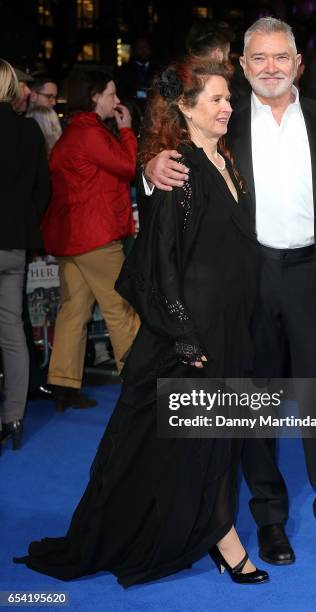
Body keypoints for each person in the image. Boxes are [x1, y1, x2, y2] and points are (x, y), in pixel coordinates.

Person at [15, 59, 268, 587]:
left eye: (228, 99)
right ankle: (222, 538)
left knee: (222, 435)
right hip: (192, 326)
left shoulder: (227, 158)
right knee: (156, 441)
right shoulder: (178, 168)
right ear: (185, 107)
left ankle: (219, 531)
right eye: (216, 99)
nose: (226, 108)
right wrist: (182, 333)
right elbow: (161, 260)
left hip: (230, 321)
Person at [144, 17, 316, 566]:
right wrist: (149, 169)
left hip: (315, 276)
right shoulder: (227, 119)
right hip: (247, 282)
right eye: (259, 59)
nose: (270, 68)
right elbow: (179, 150)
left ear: (297, 63)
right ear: (243, 67)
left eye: (280, 58)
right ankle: (270, 521)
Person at [40, 70, 140, 411]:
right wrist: (127, 131)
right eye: (112, 94)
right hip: (95, 237)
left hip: (72, 237)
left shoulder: (73, 134)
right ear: (95, 95)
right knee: (121, 308)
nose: (117, 101)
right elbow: (129, 166)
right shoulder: (89, 133)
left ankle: (63, 387)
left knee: (74, 312)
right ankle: (138, 385)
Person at [0, 59, 50, 452]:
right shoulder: (28, 130)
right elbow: (42, 189)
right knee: (13, 330)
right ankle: (14, 416)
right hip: (15, 242)